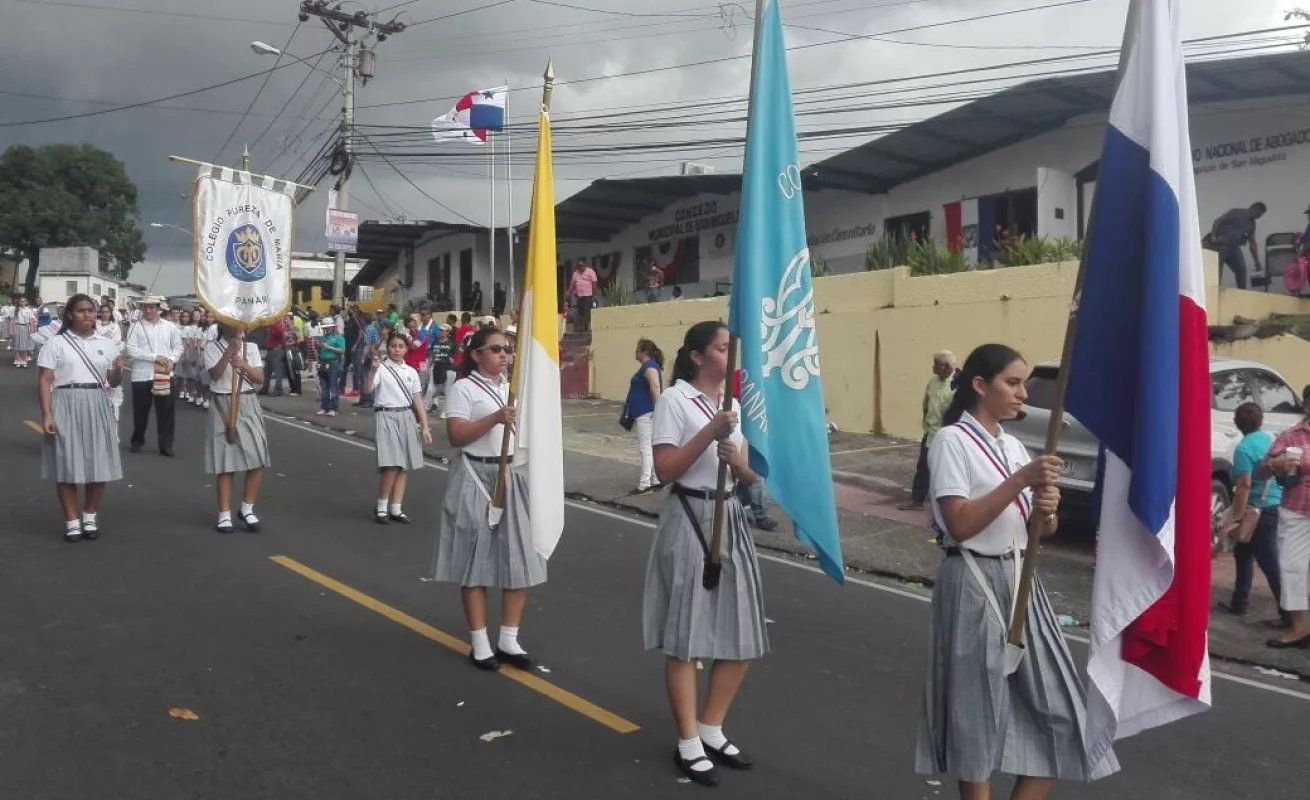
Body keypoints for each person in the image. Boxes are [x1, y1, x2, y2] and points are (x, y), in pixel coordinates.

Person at [916, 343, 1118, 797]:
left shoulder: (1011, 445)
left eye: (1024, 382)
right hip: (972, 579)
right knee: (976, 716)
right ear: (980, 386)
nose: (1024, 393)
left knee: (1064, 716)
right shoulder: (951, 441)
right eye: (1013, 382)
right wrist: (1021, 482)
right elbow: (961, 524)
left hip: (1022, 583)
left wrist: (1046, 511)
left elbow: (1038, 531)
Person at [643, 322, 768, 787]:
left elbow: (750, 475)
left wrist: (741, 466)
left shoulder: (732, 405)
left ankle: (712, 725)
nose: (728, 353)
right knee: (687, 635)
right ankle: (688, 739)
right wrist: (710, 433)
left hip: (731, 516)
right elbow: (664, 469)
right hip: (691, 516)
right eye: (720, 346)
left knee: (742, 629)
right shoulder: (676, 400)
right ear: (697, 356)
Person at [433, 326, 546, 672]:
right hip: (474, 475)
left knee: (521, 559)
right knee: (474, 561)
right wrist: (496, 417)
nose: (504, 355)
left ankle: (509, 639)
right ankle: (480, 643)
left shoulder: (513, 389)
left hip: (510, 475)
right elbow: (456, 435)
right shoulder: (464, 388)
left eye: (507, 349)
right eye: (496, 349)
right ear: (477, 354)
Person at [36, 295, 125, 542]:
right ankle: (72, 521)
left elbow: (113, 382)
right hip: (65, 401)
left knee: (99, 465)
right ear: (70, 315)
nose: (88, 315)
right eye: (82, 310)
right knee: (67, 464)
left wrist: (117, 369)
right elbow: (45, 379)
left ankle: (90, 516)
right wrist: (46, 414)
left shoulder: (107, 344)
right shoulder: (56, 343)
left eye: (91, 310)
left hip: (97, 401)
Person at [1217, 402, 1288, 625]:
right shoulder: (1270, 440)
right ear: (1261, 420)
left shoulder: (1244, 449)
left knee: (1269, 563)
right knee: (1243, 553)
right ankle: (1239, 602)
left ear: (1237, 423)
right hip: (1273, 505)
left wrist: (1237, 517)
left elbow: (1244, 485)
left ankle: (1290, 616)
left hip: (1256, 511)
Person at [204, 324, 270, 534]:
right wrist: (229, 352)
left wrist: (243, 364)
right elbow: (214, 375)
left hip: (248, 401)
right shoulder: (211, 347)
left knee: (257, 457)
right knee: (225, 462)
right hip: (222, 402)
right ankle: (224, 514)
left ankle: (247, 508)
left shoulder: (251, 348)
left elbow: (260, 379)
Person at [1261, 385, 1310, 649]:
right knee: (1292, 568)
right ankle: (1299, 628)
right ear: (1306, 406)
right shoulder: (1290, 436)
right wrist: (1274, 465)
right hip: (1297, 511)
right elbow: (1261, 472)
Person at [365, 332, 432, 524]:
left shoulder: (411, 371)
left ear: (406, 348)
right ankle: (381, 507)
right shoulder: (381, 368)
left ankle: (396, 508)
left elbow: (417, 399)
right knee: (391, 465)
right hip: (385, 415)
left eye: (401, 346)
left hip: (406, 416)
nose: (396, 350)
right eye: (393, 346)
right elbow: (368, 390)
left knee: (404, 466)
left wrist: (424, 425)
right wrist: (372, 371)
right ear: (388, 347)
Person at [125, 296, 183, 456]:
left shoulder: (170, 327)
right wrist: (155, 357)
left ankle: (166, 445)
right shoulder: (135, 326)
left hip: (164, 374)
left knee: (166, 412)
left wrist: (171, 359)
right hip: (141, 375)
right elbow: (131, 349)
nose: (148, 311)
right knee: (140, 411)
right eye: (145, 307)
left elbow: (178, 347)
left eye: (152, 307)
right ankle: (137, 440)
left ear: (159, 309)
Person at [901, 350, 958, 511]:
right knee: (923, 467)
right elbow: (926, 403)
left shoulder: (956, 385)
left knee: (946, 469)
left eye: (937, 364)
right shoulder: (933, 381)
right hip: (930, 432)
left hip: (946, 434)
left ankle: (948, 501)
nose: (933, 367)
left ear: (947, 367)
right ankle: (917, 500)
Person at [627, 339, 665, 492]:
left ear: (644, 352)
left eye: (637, 350)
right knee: (650, 446)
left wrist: (658, 409)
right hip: (646, 412)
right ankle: (655, 479)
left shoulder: (649, 367)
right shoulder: (647, 367)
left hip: (646, 413)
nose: (635, 353)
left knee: (646, 448)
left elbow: (655, 386)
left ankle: (645, 483)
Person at [1209, 202, 1267, 290]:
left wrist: (1256, 261)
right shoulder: (1236, 212)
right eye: (1259, 213)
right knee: (1217, 271)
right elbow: (1218, 221)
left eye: (1261, 215)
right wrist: (1213, 236)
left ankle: (1242, 291)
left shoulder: (1252, 224)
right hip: (1220, 245)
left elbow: (1252, 243)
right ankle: (1214, 291)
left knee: (1241, 270)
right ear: (1253, 208)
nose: (1259, 216)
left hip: (1233, 247)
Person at [95, 303, 125, 424]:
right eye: (102, 312)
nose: (104, 314)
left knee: (112, 391)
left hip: (111, 360)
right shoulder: (95, 326)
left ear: (110, 313)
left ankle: (114, 420)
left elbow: (115, 343)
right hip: (97, 361)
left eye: (107, 312)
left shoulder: (115, 327)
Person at [316, 317, 346, 416]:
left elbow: (342, 350)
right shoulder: (323, 337)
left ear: (333, 327)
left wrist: (329, 347)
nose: (326, 329)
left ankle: (334, 408)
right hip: (323, 362)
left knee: (333, 387)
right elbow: (320, 349)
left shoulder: (339, 337)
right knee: (323, 386)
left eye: (328, 327)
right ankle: (324, 407)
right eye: (325, 328)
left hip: (333, 363)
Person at [356, 310, 385, 408]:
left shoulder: (369, 329)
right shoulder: (374, 327)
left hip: (369, 354)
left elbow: (367, 345)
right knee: (365, 376)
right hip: (374, 353)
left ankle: (368, 399)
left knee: (366, 377)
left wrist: (363, 357)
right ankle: (364, 399)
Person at [424, 325, 454, 413]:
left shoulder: (452, 344)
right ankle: (424, 408)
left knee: (447, 391)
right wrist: (428, 366)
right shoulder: (435, 342)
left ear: (448, 332)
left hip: (448, 369)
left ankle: (445, 411)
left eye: (443, 330)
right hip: (436, 368)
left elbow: (456, 356)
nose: (440, 332)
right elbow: (431, 355)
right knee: (430, 389)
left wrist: (453, 361)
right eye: (440, 330)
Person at [261, 315, 290, 397]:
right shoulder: (276, 324)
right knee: (267, 371)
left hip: (275, 350)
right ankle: (265, 388)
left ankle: (278, 389)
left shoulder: (276, 324)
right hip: (271, 350)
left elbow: (285, 335)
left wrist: (280, 345)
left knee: (277, 371)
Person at [568, 261, 599, 333]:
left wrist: (594, 295)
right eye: (579, 266)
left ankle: (585, 327)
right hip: (579, 295)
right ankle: (580, 327)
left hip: (588, 294)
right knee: (580, 311)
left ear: (585, 265)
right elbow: (572, 284)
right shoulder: (576, 273)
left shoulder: (590, 272)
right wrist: (568, 292)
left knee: (586, 310)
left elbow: (594, 283)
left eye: (582, 266)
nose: (580, 268)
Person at [12, 296, 36, 367]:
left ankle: (24, 359)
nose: (22, 302)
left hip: (25, 327)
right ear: (19, 302)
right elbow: (13, 320)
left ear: (26, 302)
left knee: (24, 344)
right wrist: (12, 330)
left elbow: (31, 321)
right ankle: (18, 359)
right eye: (21, 301)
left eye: (24, 301)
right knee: (16, 344)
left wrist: (31, 332)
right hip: (17, 327)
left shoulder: (29, 310)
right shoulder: (16, 310)